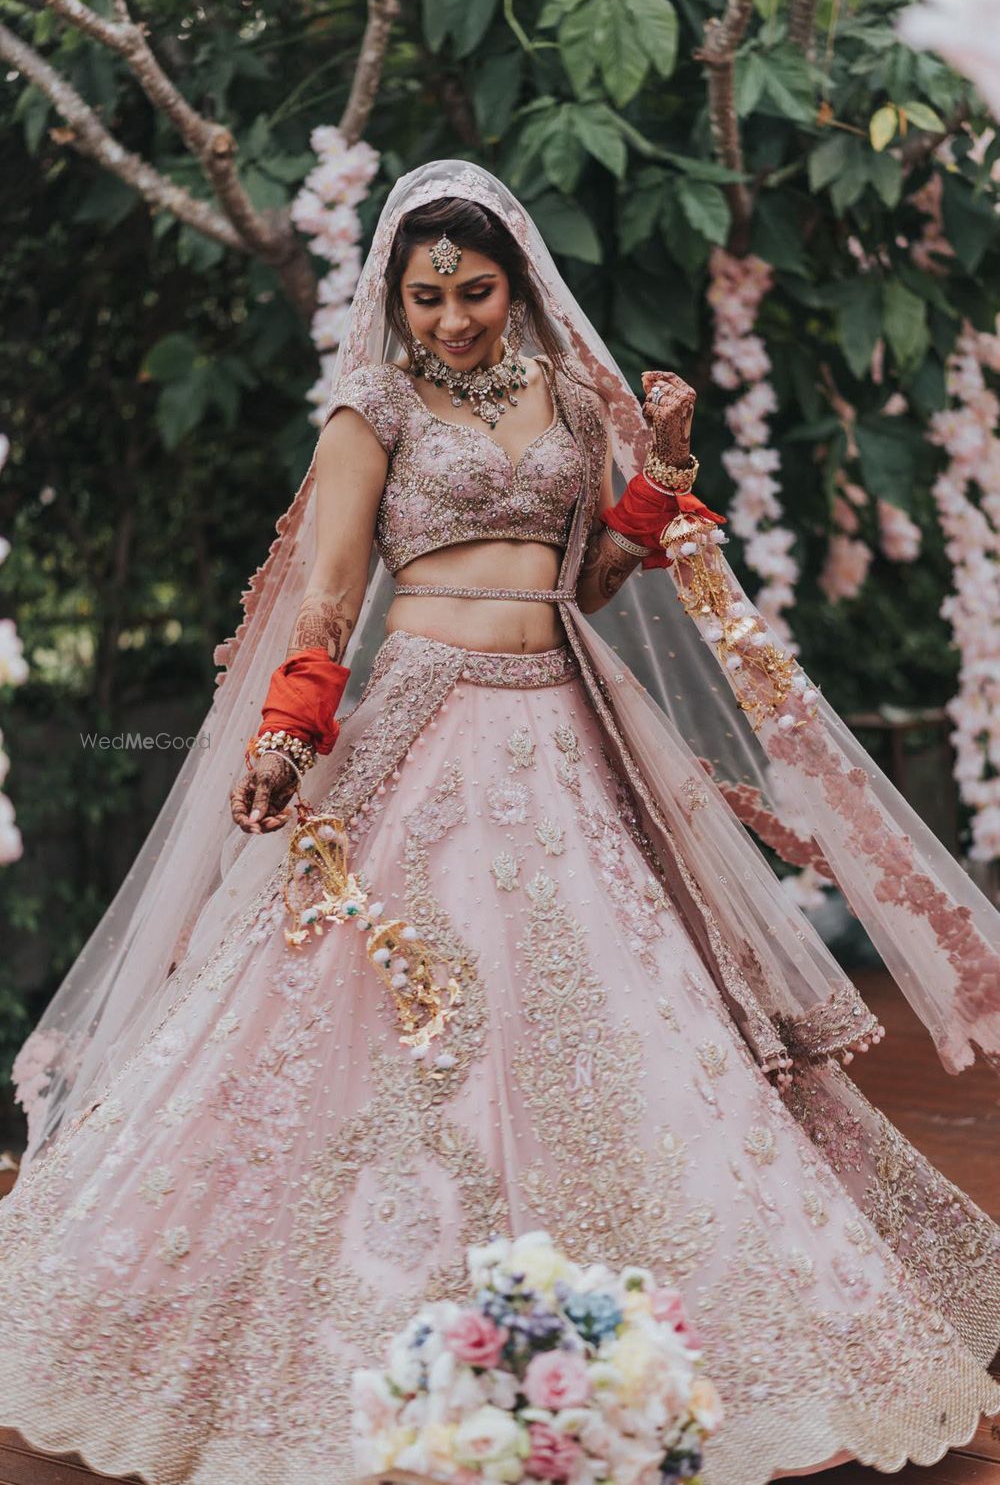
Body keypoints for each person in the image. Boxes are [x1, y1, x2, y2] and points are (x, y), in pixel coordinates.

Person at [0, 160, 998, 1485]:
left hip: (558, 716)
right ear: (394, 296)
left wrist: (672, 467)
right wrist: (293, 725)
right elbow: (330, 586)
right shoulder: (373, 403)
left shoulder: (574, 401)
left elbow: (590, 576)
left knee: (623, 1009)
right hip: (421, 717)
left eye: (474, 291)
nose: (452, 320)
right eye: (426, 296)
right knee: (336, 1016)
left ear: (516, 282)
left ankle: (651, 1344)